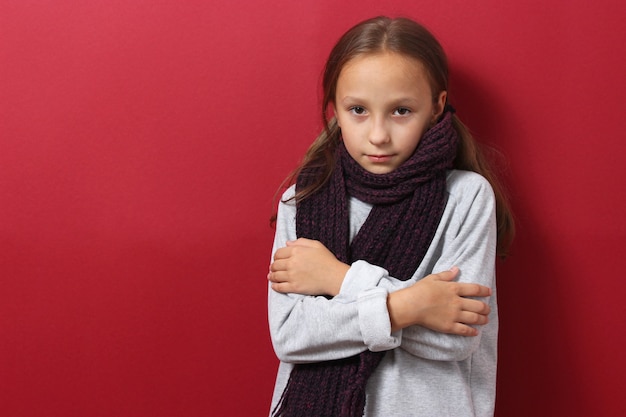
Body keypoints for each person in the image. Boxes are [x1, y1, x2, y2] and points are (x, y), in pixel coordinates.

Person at [266, 16, 514, 417]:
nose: (378, 135)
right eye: (358, 110)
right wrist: (412, 305)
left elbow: (454, 339)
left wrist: (338, 278)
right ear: (335, 109)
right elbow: (292, 335)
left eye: (401, 110)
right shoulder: (302, 200)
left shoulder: (465, 197)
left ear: (435, 106)